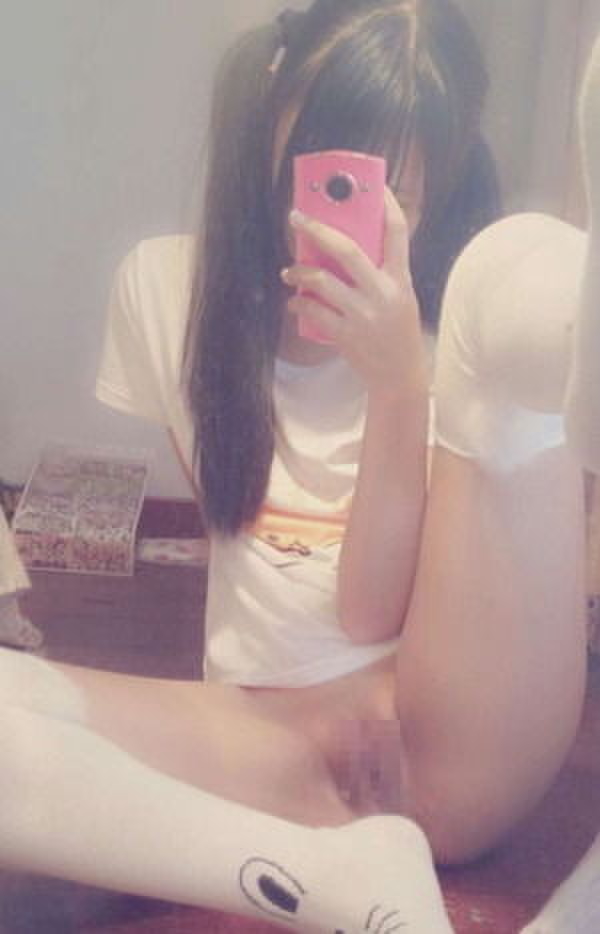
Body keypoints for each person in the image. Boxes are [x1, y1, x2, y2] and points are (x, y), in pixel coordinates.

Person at [0, 0, 596, 931]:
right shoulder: (164, 291)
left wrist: (397, 388)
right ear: (269, 141)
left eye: (398, 192)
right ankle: (327, 875)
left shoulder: (444, 342)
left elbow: (366, 612)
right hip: (267, 730)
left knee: (506, 288)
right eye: (329, 176)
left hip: (430, 740)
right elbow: (233, 519)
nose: (348, 221)